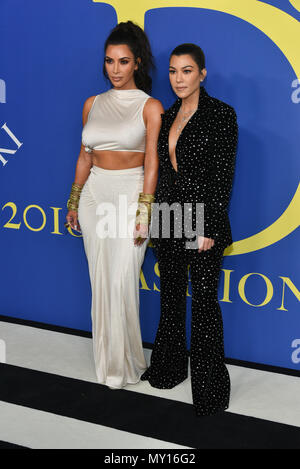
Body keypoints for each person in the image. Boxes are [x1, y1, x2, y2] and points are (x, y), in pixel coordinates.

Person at [65, 21, 164, 389]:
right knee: (101, 280)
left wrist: (144, 211)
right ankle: (108, 361)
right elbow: (84, 156)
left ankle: (128, 361)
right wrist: (74, 199)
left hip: (129, 195)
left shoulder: (150, 106)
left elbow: (152, 161)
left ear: (137, 63)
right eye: (109, 61)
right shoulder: (92, 103)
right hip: (94, 196)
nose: (115, 70)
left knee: (122, 279)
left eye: (123, 62)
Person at [141, 43, 238, 416]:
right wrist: (154, 218)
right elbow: (164, 173)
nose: (178, 79)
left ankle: (210, 389)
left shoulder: (221, 115)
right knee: (170, 297)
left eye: (186, 71)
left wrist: (209, 226)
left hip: (202, 217)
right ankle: (167, 370)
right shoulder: (166, 117)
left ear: (202, 74)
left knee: (203, 303)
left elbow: (222, 176)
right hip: (169, 214)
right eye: (172, 71)